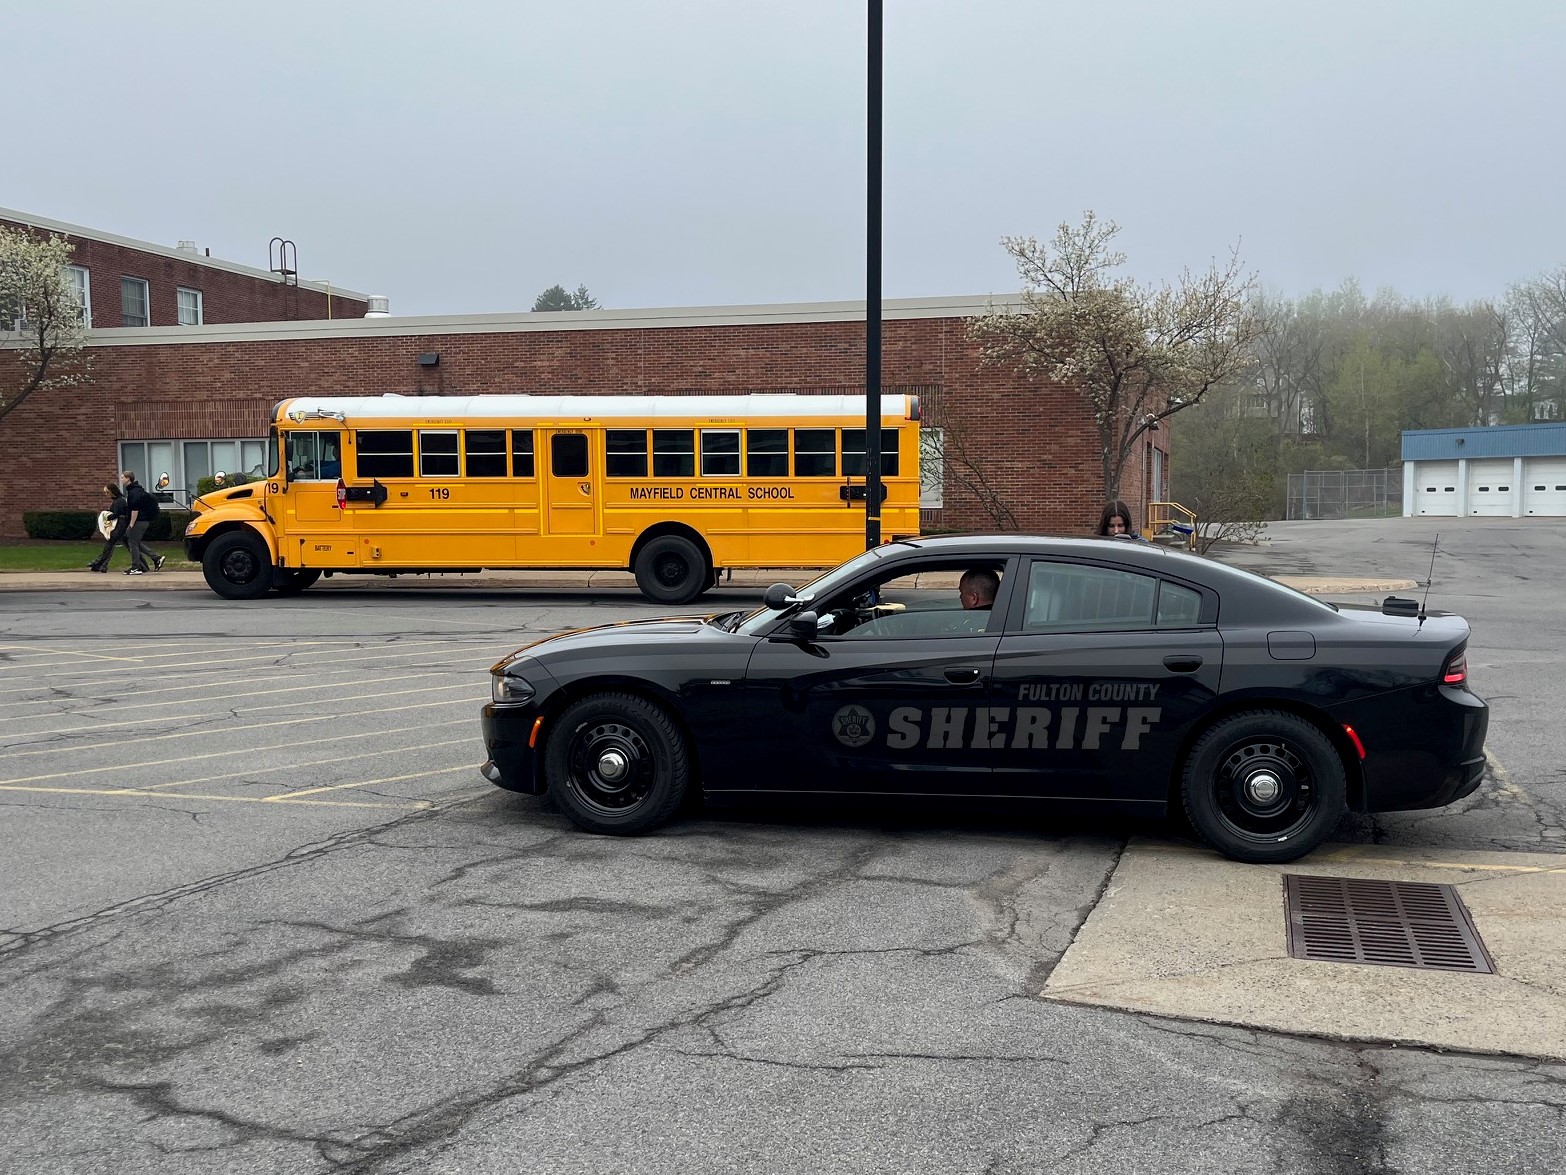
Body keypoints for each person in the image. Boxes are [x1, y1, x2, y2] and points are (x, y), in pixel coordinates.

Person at [121, 470, 165, 575]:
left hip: (140, 521)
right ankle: (156, 558)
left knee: (132, 543)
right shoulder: (135, 490)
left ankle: (136, 567)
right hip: (143, 520)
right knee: (135, 542)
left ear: (128, 479)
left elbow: (135, 509)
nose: (121, 479)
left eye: (123, 477)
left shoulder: (134, 492)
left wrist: (131, 524)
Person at [87, 483, 132, 573]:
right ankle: (143, 563)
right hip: (121, 524)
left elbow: (116, 514)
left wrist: (107, 516)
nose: (106, 494)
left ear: (112, 491)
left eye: (107, 492)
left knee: (110, 544)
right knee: (128, 545)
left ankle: (100, 564)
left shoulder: (119, 501)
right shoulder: (119, 500)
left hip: (120, 525)